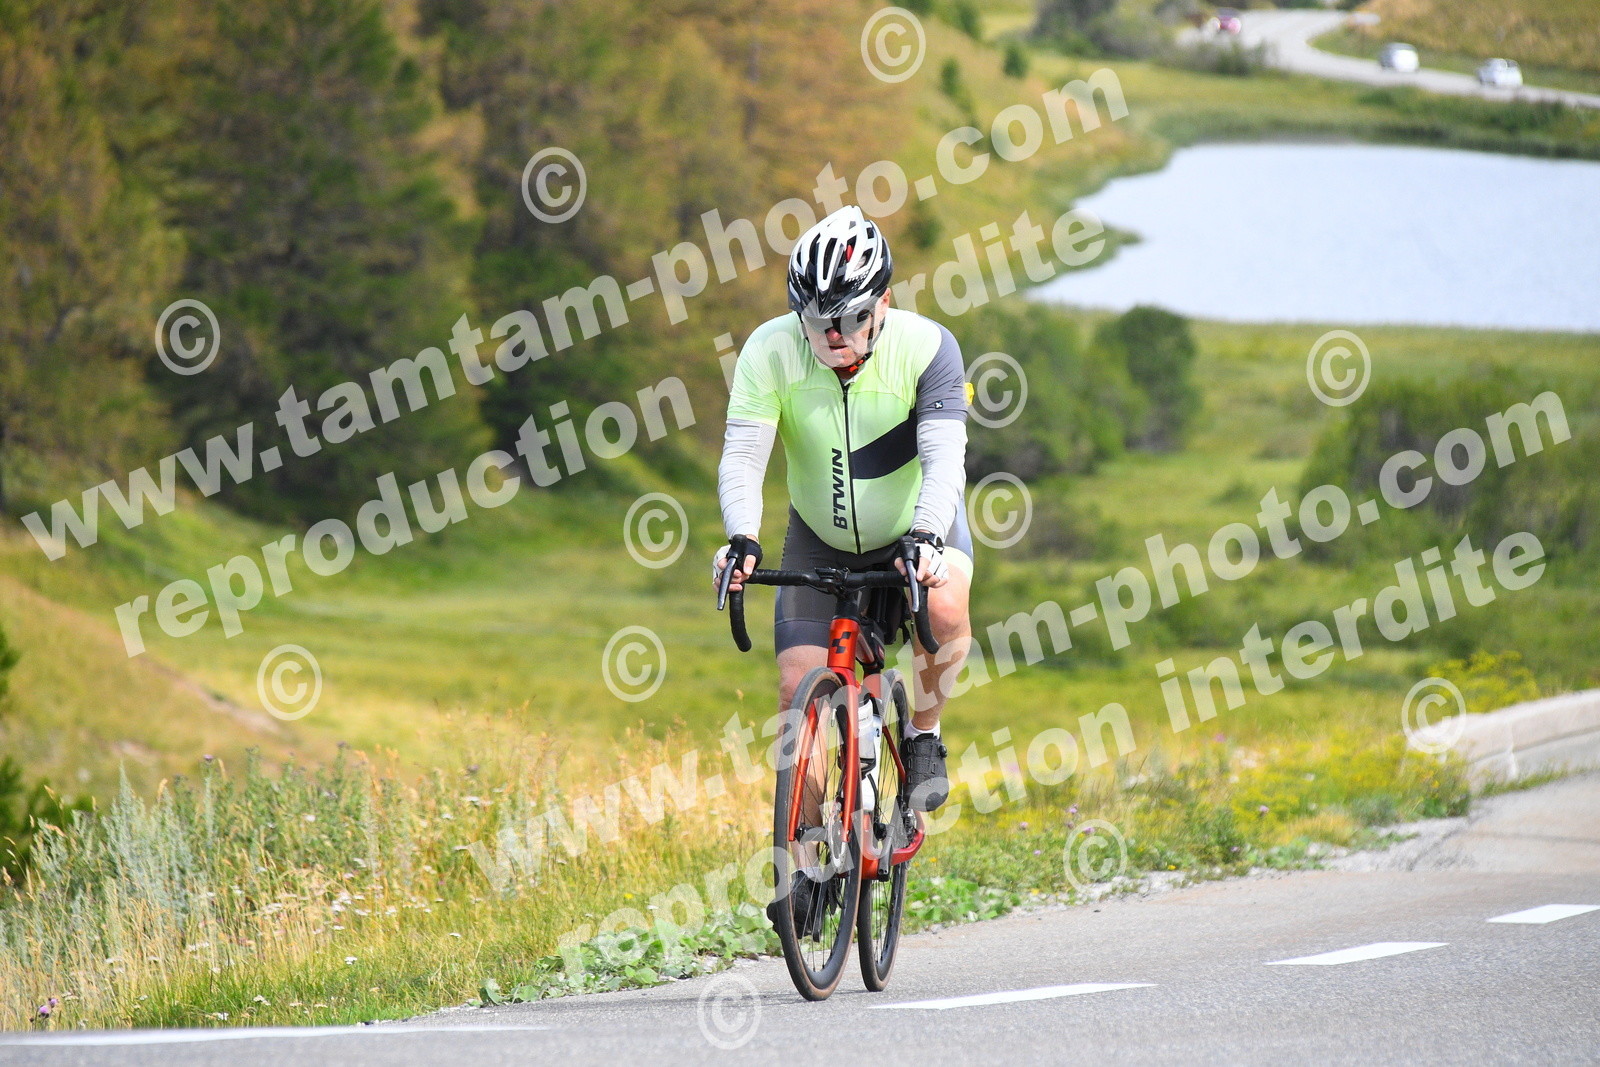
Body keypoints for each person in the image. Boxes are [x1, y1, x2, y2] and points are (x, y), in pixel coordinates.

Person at [713, 204, 973, 819]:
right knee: (794, 691)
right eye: (816, 321)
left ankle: (925, 734)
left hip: (915, 527)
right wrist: (742, 537)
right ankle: (803, 854)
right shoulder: (768, 350)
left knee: (944, 608)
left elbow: (944, 458)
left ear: (883, 302)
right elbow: (744, 455)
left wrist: (928, 535)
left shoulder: (929, 347)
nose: (833, 336)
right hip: (818, 535)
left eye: (851, 318)